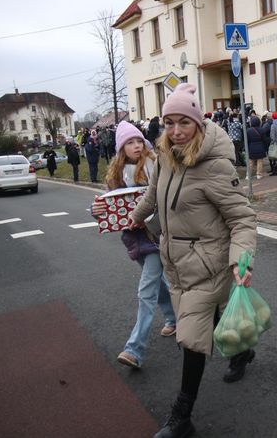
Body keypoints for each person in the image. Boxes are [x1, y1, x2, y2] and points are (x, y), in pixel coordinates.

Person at [129, 83, 257, 438]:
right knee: (214, 318)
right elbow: (153, 194)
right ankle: (243, 350)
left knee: (190, 336)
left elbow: (242, 218)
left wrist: (240, 261)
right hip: (176, 262)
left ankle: (181, 418)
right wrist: (136, 217)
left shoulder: (214, 166)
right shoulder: (166, 158)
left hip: (208, 262)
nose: (175, 131)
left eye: (183, 122)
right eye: (169, 123)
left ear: (198, 123)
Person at [90, 121, 176, 369]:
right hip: (132, 238)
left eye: (139, 141)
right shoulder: (116, 174)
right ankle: (175, 318)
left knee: (146, 290)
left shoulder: (154, 166)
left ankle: (134, 349)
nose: (137, 146)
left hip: (156, 237)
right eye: (130, 142)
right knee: (158, 284)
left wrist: (147, 218)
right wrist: (94, 210)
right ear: (121, 148)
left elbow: (165, 198)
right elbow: (106, 205)